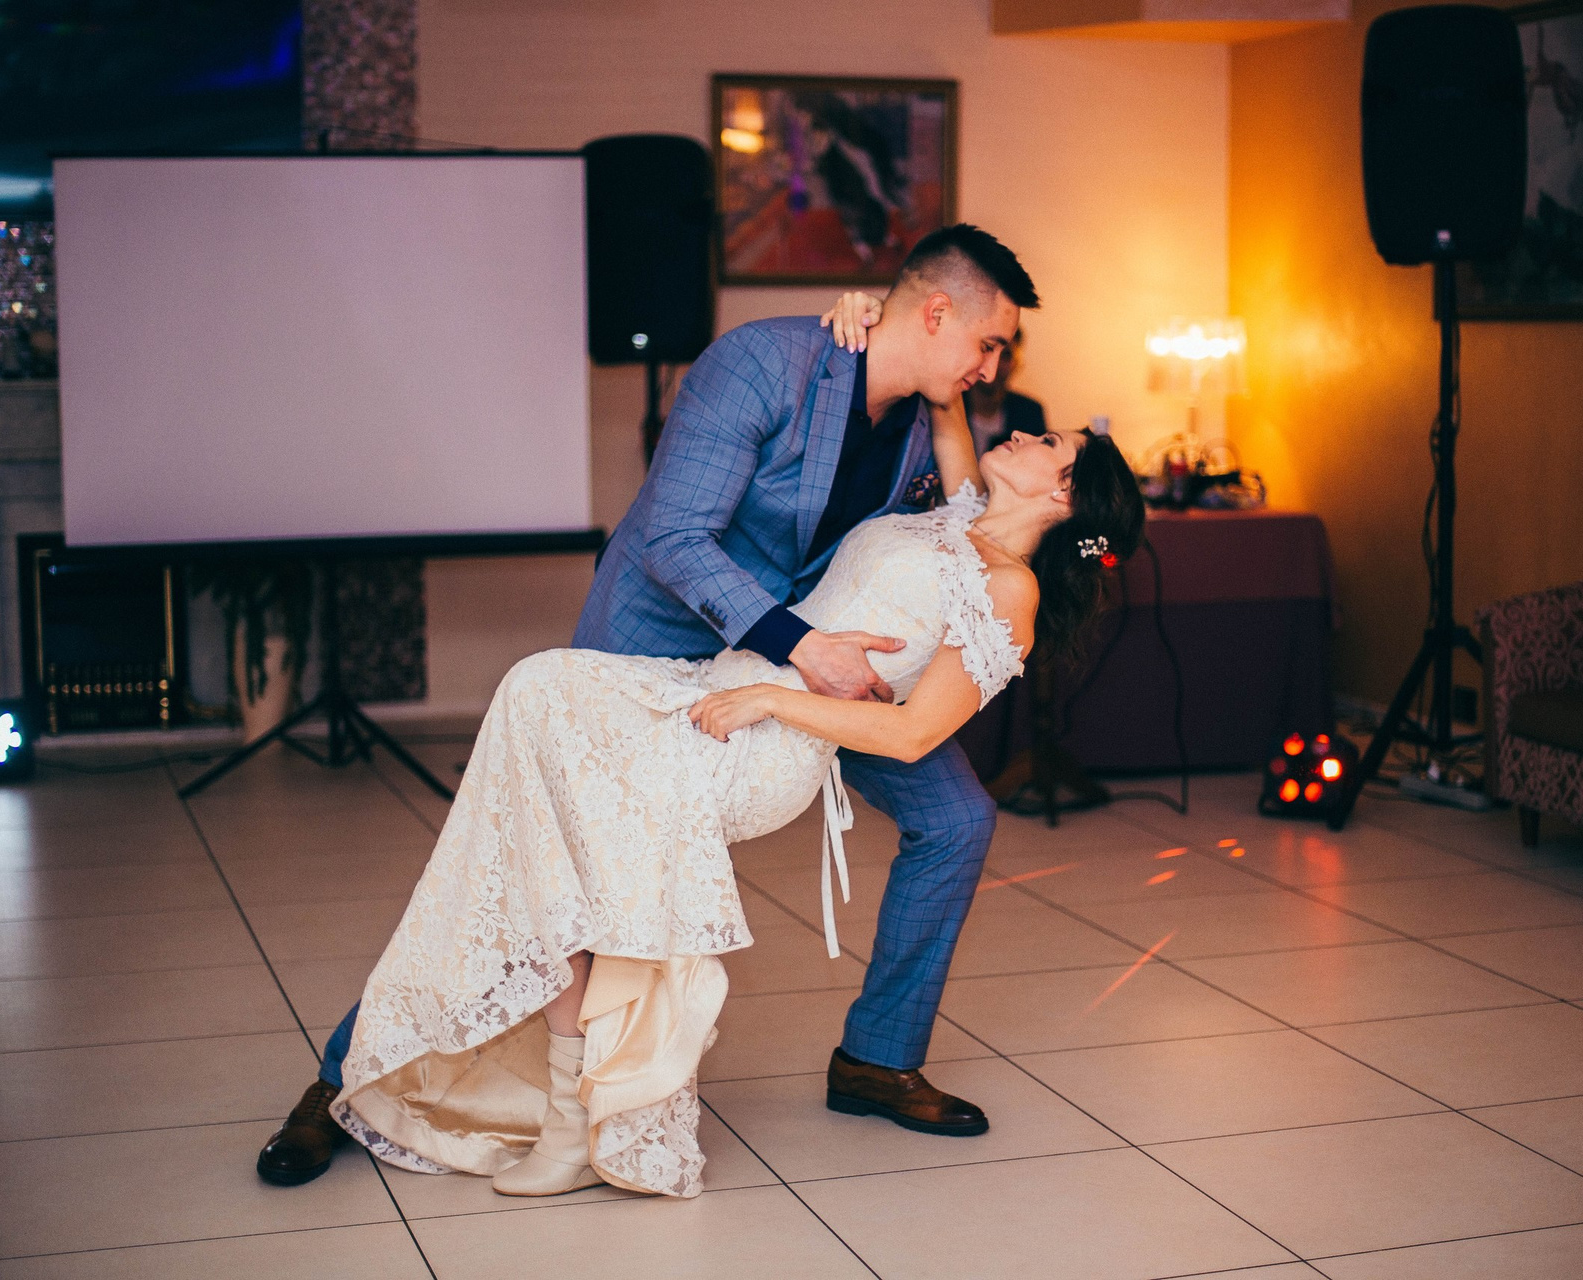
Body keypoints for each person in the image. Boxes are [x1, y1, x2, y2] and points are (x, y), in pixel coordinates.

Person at [252, 225, 1139, 1197]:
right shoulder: (768, 364)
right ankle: (352, 1075)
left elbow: (983, 544)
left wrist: (807, 664)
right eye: (989, 343)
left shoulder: (935, 430)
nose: (996, 370)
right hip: (685, 634)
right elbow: (674, 537)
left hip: (827, 675)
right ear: (935, 314)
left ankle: (876, 1059)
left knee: (958, 816)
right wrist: (797, 653)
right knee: (542, 845)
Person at [966, 326, 1046, 455]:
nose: (995, 364)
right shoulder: (950, 405)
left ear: (1016, 363)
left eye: (1006, 355)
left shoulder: (1030, 413)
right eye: (988, 349)